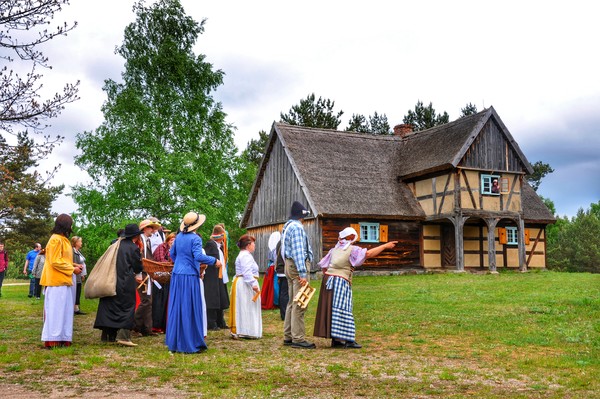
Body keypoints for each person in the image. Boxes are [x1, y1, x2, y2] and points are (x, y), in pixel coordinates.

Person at [314, 227, 398, 349]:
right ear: (350, 237)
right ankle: (348, 340)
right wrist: (384, 246)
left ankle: (336, 339)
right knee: (343, 308)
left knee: (332, 310)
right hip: (339, 281)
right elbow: (368, 254)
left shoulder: (334, 249)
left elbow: (324, 266)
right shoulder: (351, 249)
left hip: (328, 280)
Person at [166, 211, 221, 353]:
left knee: (178, 308)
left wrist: (181, 261)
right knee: (190, 308)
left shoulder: (178, 237)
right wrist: (215, 261)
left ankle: (176, 342)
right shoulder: (195, 238)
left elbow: (172, 255)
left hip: (177, 275)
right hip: (189, 276)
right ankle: (191, 343)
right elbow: (198, 256)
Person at [93, 224, 144, 347]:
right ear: (136, 236)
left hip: (110, 279)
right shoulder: (133, 248)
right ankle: (124, 337)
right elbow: (137, 267)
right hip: (125, 281)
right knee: (126, 307)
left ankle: (107, 335)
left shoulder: (115, 244)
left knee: (109, 305)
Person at [40, 214, 83, 348]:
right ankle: (53, 340)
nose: (71, 227)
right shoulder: (55, 239)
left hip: (64, 281)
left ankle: (63, 337)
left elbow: (63, 260)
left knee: (65, 311)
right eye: (70, 224)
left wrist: (74, 265)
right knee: (55, 311)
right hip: (55, 282)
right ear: (65, 225)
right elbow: (54, 261)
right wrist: (71, 269)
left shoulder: (63, 239)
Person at [281, 201, 315, 349]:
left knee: (291, 302)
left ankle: (288, 335)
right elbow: (298, 251)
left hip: (289, 265)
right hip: (297, 266)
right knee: (300, 302)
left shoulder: (287, 226)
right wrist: (302, 273)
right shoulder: (296, 228)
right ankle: (298, 338)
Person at [229, 234, 262, 339]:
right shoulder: (245, 256)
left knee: (246, 306)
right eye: (253, 243)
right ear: (248, 245)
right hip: (245, 284)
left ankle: (247, 329)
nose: (254, 246)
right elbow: (247, 272)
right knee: (244, 306)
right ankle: (244, 330)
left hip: (245, 282)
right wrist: (254, 284)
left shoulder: (245, 255)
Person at [133, 218, 160, 337]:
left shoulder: (147, 241)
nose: (153, 230)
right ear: (144, 229)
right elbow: (139, 258)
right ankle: (134, 326)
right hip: (142, 274)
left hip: (147, 274)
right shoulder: (140, 241)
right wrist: (138, 273)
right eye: (150, 227)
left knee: (149, 302)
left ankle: (147, 328)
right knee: (145, 301)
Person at [203, 225, 230, 331]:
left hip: (220, 275)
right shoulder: (210, 245)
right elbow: (208, 259)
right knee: (212, 299)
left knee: (221, 298)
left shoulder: (220, 246)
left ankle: (220, 320)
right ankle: (211, 322)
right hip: (212, 276)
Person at [151, 232, 176, 333]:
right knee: (159, 301)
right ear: (168, 240)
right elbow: (161, 261)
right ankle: (156, 326)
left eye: (175, 241)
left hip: (168, 277)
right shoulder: (162, 247)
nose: (172, 242)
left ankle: (164, 325)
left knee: (167, 301)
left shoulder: (174, 250)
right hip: (159, 277)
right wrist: (172, 264)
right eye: (171, 240)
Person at [260, 231, 280, 310]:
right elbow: (276, 260)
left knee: (270, 285)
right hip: (274, 268)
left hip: (270, 267)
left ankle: (272, 300)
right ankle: (276, 302)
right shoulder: (275, 249)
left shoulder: (270, 248)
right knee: (275, 284)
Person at [71, 236, 88, 315]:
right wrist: (77, 265)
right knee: (75, 291)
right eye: (80, 241)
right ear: (76, 242)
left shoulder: (78, 252)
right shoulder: (72, 251)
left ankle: (76, 308)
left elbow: (82, 263)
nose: (81, 243)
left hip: (79, 274)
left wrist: (83, 274)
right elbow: (70, 262)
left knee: (78, 291)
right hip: (74, 274)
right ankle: (73, 308)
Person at [274, 240, 288, 321]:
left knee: (282, 293)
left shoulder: (279, 242)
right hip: (284, 270)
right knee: (285, 293)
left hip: (280, 270)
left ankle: (284, 314)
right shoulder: (284, 242)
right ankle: (285, 314)